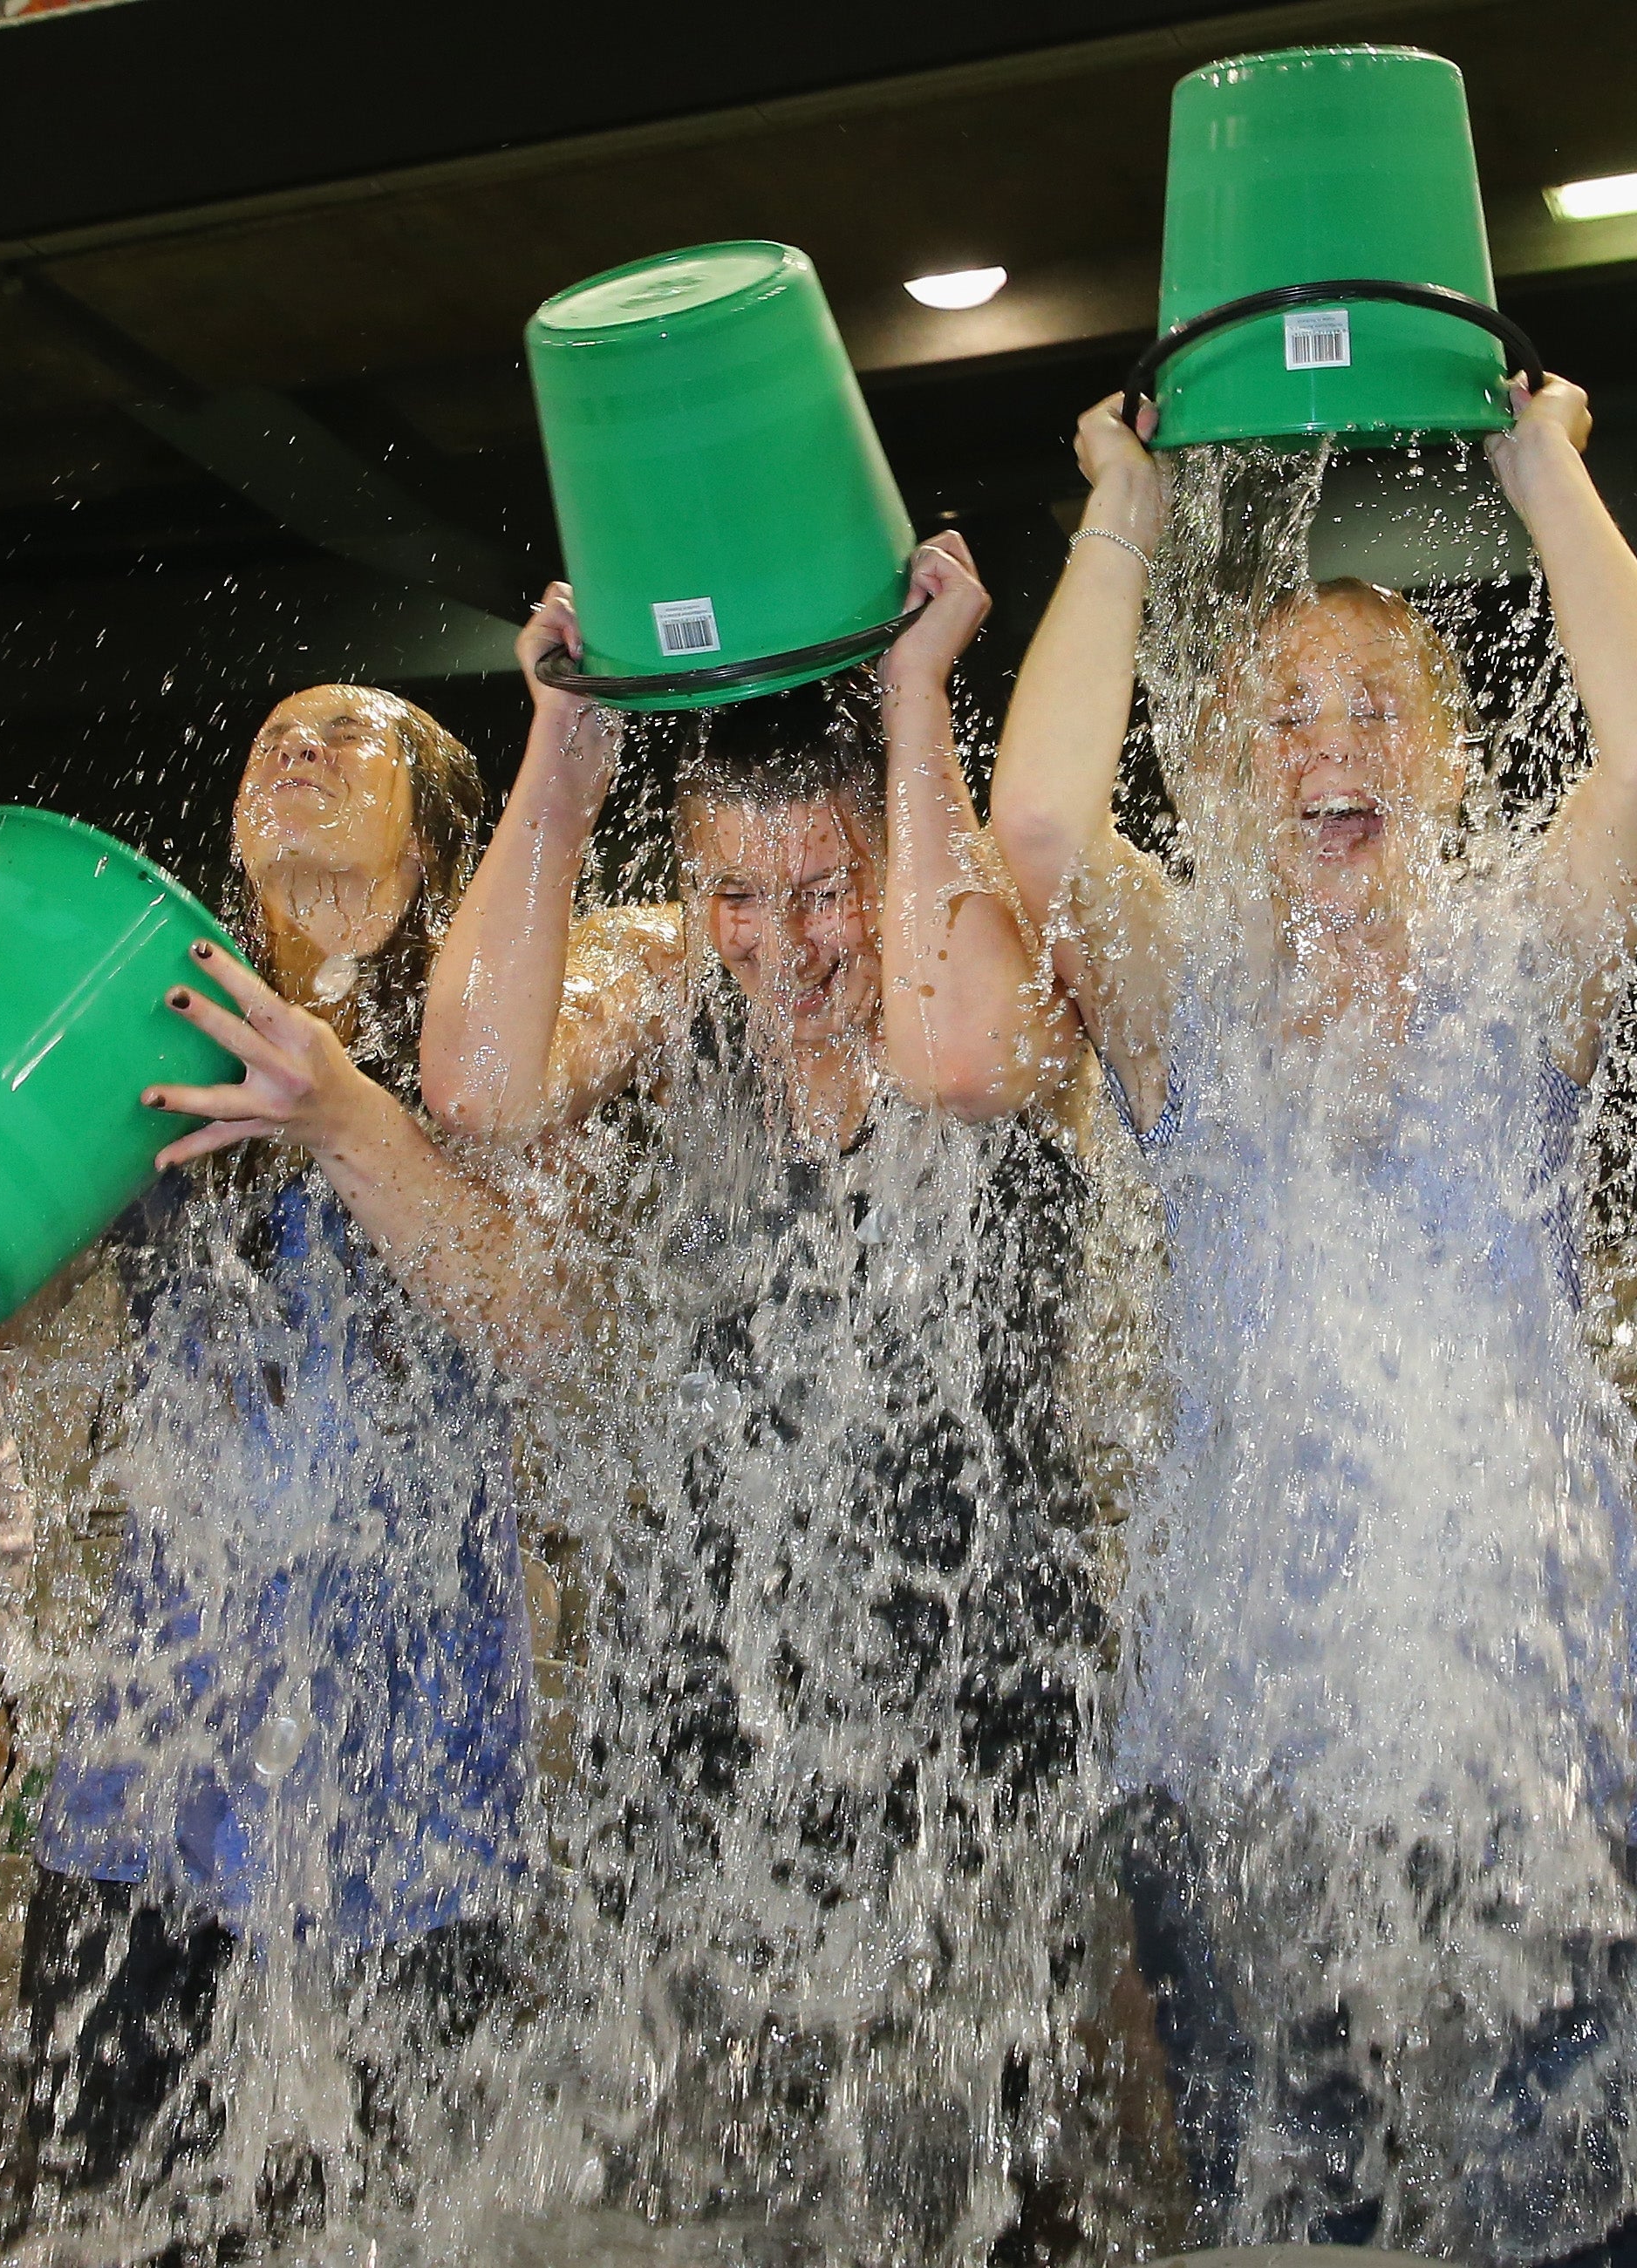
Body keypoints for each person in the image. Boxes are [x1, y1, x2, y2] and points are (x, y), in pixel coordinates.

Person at [880, 381, 1637, 2266]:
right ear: (1210, 768)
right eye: (1278, 714)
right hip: (1244, 1759)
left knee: (1594, 2236)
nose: (1326, 746)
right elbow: (1032, 817)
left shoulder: (1524, 961)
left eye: (1374, 709)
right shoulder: (1182, 991)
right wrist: (1121, 501)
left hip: (1553, 1745)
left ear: (1445, 757)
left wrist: (1540, 466)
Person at [419, 562, 1096, 2253]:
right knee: (704, 2192)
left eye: (824, 889)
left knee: (970, 2199)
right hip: (705, 1695)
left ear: (893, 853)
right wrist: (566, 750)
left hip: (973, 1698)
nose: (783, 945)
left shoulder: (991, 961)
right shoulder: (669, 989)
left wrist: (922, 697)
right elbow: (477, 1091)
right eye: (736, 893)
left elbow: (945, 1062)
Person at [0, 684, 559, 2233]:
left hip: (417, 1747)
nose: (292, 748)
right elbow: (14, 1301)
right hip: (163, 1746)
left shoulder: (488, 1035)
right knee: (100, 2199)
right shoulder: (142, 1033)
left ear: (439, 836)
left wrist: (343, 1111)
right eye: (272, 738)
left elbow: (549, 1331)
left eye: (349, 734)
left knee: (409, 2207)